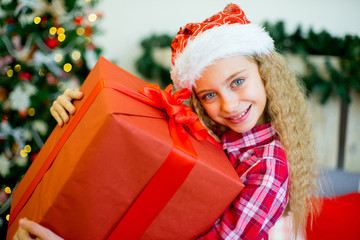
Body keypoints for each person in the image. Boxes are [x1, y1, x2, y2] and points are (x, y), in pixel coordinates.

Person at [13, 3, 320, 240]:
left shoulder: (268, 166)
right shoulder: (198, 134)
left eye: (237, 82)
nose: (228, 104)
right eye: (210, 95)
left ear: (265, 75)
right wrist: (76, 112)